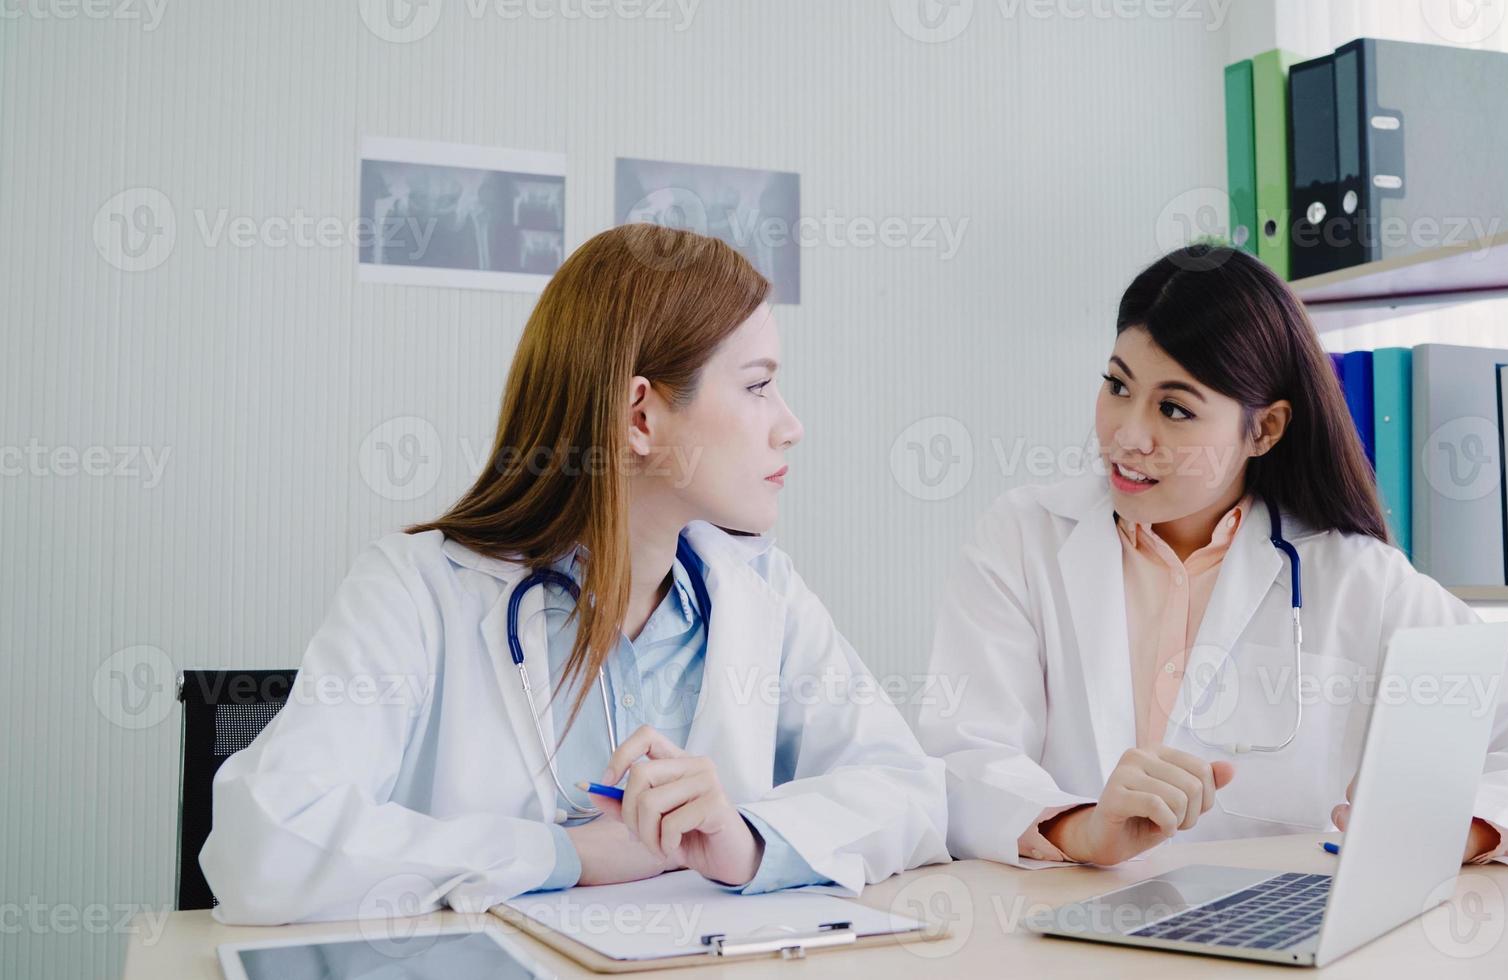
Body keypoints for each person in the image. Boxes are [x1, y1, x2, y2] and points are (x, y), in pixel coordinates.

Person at [202, 224, 948, 925]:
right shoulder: (415, 590)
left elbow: (910, 792)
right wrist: (563, 855)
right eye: (757, 386)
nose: (791, 424)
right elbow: (264, 842)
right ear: (640, 417)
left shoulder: (764, 592)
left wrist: (747, 841)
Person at [917, 244, 1508, 872]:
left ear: (1266, 429)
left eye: (1175, 409)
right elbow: (962, 758)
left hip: (1273, 941)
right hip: (1066, 935)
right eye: (1118, 385)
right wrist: (1080, 827)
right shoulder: (1024, 536)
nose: (1128, 435)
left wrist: (1455, 829)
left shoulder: (1357, 580)